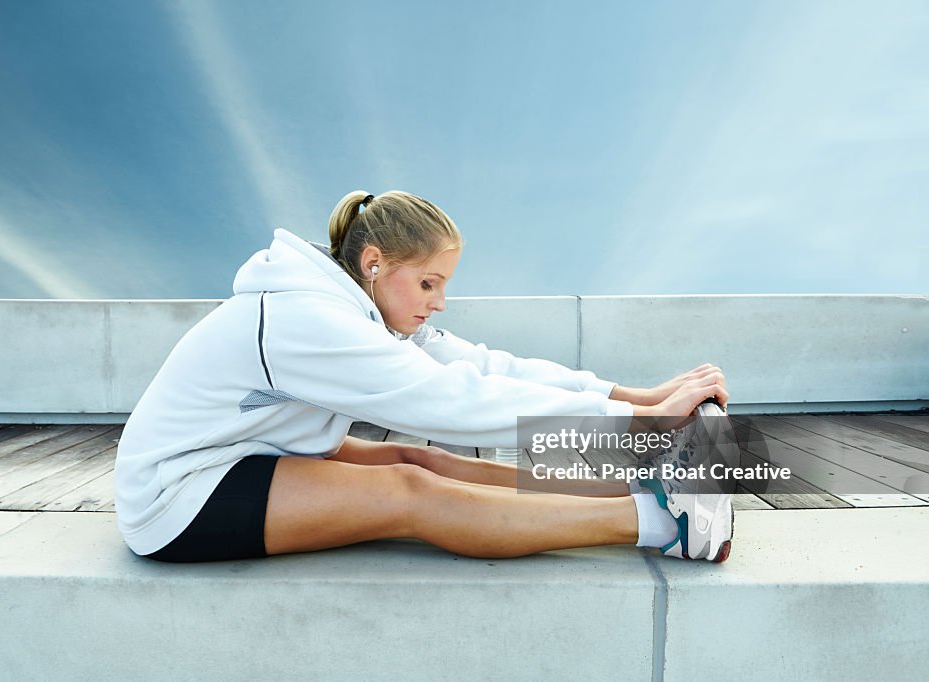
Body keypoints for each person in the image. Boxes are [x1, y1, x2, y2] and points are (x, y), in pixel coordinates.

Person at [113, 190, 733, 565]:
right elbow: (448, 401)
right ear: (374, 264)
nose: (437, 302)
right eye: (428, 283)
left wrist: (628, 397)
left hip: (249, 451)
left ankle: (639, 486)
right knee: (410, 490)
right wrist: (636, 424)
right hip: (178, 495)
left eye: (444, 286)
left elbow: (482, 366)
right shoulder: (306, 319)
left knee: (421, 459)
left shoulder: (357, 304)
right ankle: (663, 526)